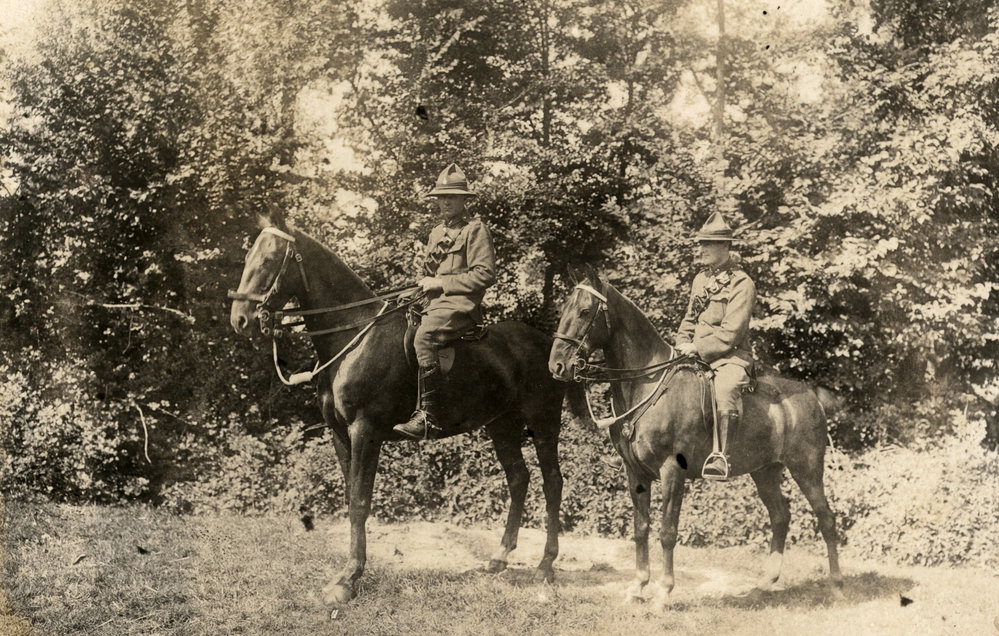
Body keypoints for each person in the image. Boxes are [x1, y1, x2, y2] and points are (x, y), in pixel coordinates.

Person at [393, 163, 497, 440]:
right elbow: (430, 274)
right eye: (441, 196)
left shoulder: (476, 230)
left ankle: (429, 417)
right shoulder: (437, 233)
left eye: (451, 196)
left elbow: (485, 274)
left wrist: (441, 284)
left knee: (424, 337)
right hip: (434, 303)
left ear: (464, 200)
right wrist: (418, 286)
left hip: (460, 306)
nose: (445, 201)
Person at [674, 210, 756, 481]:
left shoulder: (742, 283)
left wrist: (697, 347)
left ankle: (721, 456)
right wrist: (681, 343)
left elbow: (732, 334)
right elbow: (689, 318)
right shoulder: (701, 279)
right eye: (701, 243)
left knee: (725, 387)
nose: (702, 249)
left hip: (729, 358)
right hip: (695, 353)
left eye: (708, 243)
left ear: (726, 246)